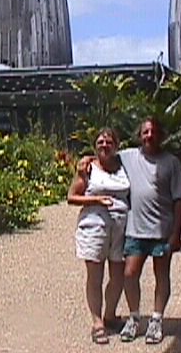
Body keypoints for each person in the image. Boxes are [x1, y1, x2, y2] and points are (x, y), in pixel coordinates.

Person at [116, 117, 181, 344]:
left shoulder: (171, 163)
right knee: (129, 274)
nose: (149, 135)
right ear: (139, 135)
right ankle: (134, 316)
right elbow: (105, 156)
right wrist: (86, 162)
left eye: (154, 132)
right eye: (145, 132)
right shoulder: (127, 157)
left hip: (162, 232)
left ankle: (156, 319)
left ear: (161, 136)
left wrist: (176, 234)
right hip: (136, 230)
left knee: (162, 275)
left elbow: (179, 201)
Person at [67, 127, 130, 345]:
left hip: (121, 229)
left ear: (117, 145)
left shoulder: (125, 166)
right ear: (95, 145)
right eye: (101, 142)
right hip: (94, 227)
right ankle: (97, 322)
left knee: (119, 276)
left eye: (109, 142)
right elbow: (72, 197)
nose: (105, 145)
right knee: (95, 277)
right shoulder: (89, 169)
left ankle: (110, 315)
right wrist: (96, 200)